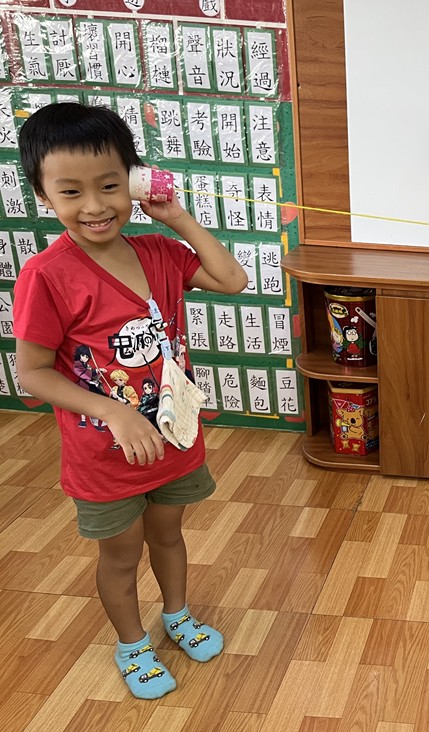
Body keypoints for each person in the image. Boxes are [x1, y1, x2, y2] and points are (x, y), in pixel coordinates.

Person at [12, 103, 248, 699]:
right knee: (121, 555)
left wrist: (177, 217)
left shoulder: (159, 253)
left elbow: (232, 280)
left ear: (135, 181)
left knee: (169, 535)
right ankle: (132, 643)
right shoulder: (47, 275)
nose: (94, 205)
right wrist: (112, 410)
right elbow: (32, 374)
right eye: (71, 191)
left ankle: (177, 614)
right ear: (42, 195)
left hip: (173, 436)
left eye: (110, 185)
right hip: (105, 457)